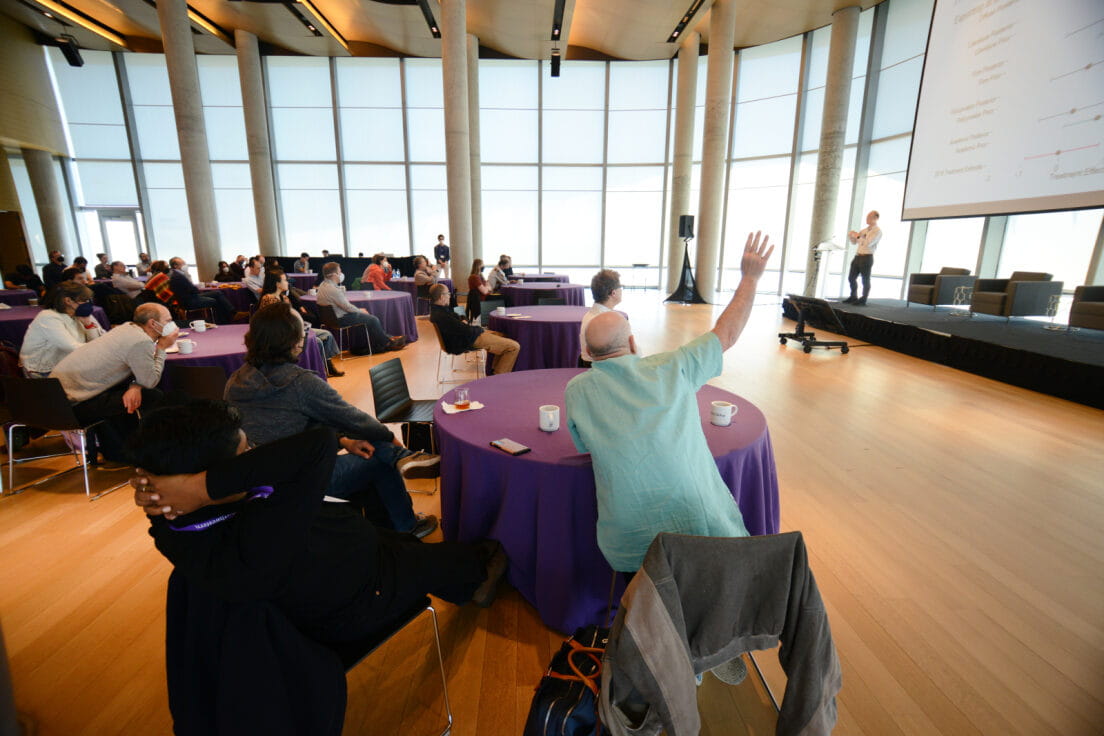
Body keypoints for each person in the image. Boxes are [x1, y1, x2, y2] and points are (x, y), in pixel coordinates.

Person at [128, 402, 508, 651]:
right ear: (207, 477)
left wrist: (186, 486)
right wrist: (201, 486)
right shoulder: (255, 540)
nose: (252, 455)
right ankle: (479, 572)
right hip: (357, 597)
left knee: (406, 547)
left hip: (343, 559)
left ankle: (453, 576)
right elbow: (316, 446)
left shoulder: (171, 521)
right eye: (243, 454)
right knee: (464, 558)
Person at [564, 231, 774, 573]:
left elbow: (584, 445)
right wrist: (750, 278)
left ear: (588, 353)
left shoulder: (576, 390)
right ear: (633, 343)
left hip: (627, 546)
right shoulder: (673, 368)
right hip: (700, 529)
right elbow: (726, 333)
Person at [224, 302, 440, 536]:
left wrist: (343, 441)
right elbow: (351, 418)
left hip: (259, 483)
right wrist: (389, 437)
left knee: (365, 444)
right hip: (301, 483)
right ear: (295, 341)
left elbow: (289, 436)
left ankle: (394, 491)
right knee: (379, 456)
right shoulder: (299, 383)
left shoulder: (235, 381)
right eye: (303, 330)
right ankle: (406, 526)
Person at [50, 302, 176, 461]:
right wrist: (162, 348)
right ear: (153, 323)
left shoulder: (126, 328)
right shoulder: (140, 341)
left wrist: (135, 385)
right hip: (71, 408)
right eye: (168, 320)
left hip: (55, 398)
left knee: (133, 393)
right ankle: (152, 453)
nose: (172, 325)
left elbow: (136, 373)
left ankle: (118, 450)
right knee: (152, 395)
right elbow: (150, 380)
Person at [258, 270, 344, 378]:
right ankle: (321, 369)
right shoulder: (269, 299)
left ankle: (328, 366)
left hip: (294, 329)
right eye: (285, 280)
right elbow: (275, 322)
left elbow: (291, 317)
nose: (287, 283)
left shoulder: (284, 297)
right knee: (317, 341)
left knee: (327, 334)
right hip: (281, 334)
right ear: (277, 283)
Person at [19, 280, 105, 378]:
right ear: (68, 301)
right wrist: (101, 349)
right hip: (44, 371)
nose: (88, 303)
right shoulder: (48, 317)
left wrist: (88, 324)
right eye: (84, 300)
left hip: (69, 363)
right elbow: (71, 347)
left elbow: (98, 339)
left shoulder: (80, 313)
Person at [429, 284, 520, 374]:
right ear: (442, 297)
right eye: (448, 293)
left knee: (503, 336)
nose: (449, 296)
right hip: (467, 340)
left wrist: (464, 322)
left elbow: (459, 320)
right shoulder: (442, 315)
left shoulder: (439, 310)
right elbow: (465, 329)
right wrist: (479, 329)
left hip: (466, 336)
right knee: (514, 347)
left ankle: (495, 371)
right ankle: (498, 377)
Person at [316, 262, 406, 353]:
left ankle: (388, 339)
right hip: (340, 319)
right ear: (334, 275)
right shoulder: (333, 289)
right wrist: (360, 311)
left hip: (329, 319)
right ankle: (387, 343)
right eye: (340, 272)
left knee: (367, 317)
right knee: (373, 319)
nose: (341, 274)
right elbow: (347, 307)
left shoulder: (322, 286)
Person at [168, 257, 233, 324]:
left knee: (217, 293)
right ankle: (223, 321)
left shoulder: (177, 274)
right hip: (189, 301)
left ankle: (232, 312)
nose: (185, 265)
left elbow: (190, 288)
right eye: (183, 263)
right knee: (215, 300)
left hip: (191, 297)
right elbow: (193, 289)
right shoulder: (177, 276)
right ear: (175, 266)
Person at [579, 269, 622, 365]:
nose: (622, 290)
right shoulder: (608, 321)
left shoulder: (589, 315)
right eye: (620, 287)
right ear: (613, 293)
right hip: (602, 371)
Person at [843, 210, 881, 306]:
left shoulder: (877, 231)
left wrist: (858, 236)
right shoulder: (864, 230)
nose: (867, 219)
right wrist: (851, 236)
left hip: (867, 257)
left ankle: (863, 299)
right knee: (851, 277)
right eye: (867, 217)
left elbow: (869, 243)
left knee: (865, 279)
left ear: (875, 218)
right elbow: (855, 242)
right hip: (858, 256)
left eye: (869, 217)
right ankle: (853, 296)